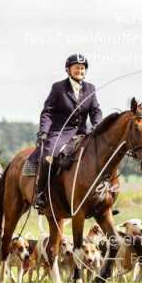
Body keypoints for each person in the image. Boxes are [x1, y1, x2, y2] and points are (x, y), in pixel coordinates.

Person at [26, 53, 103, 211]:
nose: (79, 70)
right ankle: (41, 194)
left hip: (82, 133)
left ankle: (100, 193)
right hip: (60, 132)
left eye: (82, 68)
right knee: (48, 158)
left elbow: (95, 110)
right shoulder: (58, 87)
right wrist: (44, 131)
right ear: (68, 70)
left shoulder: (90, 88)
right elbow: (47, 112)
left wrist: (97, 124)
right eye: (76, 68)